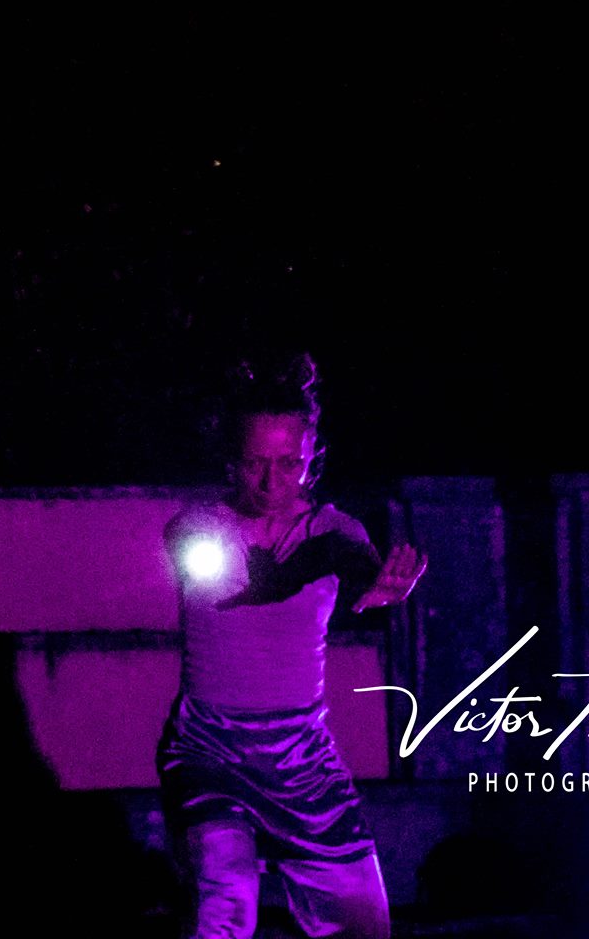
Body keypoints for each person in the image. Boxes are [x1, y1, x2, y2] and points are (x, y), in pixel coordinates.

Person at [159, 356, 425, 939]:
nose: (270, 482)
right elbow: (196, 555)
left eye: (288, 464)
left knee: (363, 925)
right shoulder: (199, 527)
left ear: (310, 458)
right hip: (210, 751)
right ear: (232, 460)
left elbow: (356, 569)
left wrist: (379, 588)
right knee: (227, 900)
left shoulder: (334, 532)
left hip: (301, 759)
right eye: (255, 463)